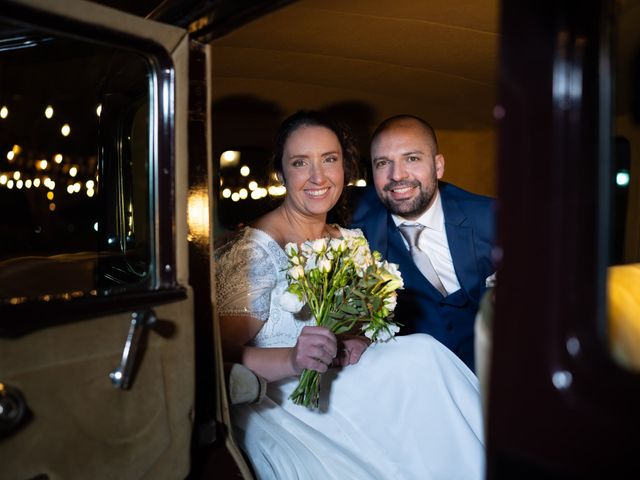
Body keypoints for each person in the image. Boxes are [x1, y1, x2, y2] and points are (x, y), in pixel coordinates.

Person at [214, 110, 484, 479]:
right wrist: (294, 360)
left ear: (346, 168)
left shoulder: (349, 241)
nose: (317, 177)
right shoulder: (256, 251)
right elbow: (217, 355)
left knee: (423, 354)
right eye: (300, 163)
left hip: (344, 384)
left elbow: (357, 324)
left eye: (330, 160)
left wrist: (357, 339)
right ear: (281, 173)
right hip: (283, 400)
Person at [350, 115, 496, 372]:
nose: (397, 175)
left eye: (412, 158)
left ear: (438, 166)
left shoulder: (491, 219)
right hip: (411, 382)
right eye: (383, 163)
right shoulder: (351, 223)